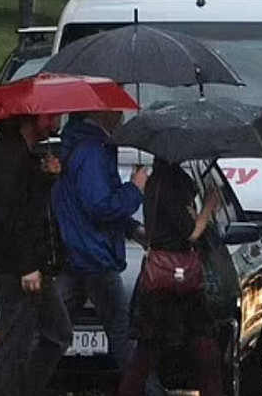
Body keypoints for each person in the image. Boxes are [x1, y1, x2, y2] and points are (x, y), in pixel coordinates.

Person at [0, 114, 71, 396]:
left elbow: (29, 205)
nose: (55, 122)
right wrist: (27, 267)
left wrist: (46, 178)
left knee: (57, 333)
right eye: (49, 117)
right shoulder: (9, 156)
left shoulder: (24, 156)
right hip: (15, 267)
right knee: (14, 344)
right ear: (30, 119)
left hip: (33, 263)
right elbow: (10, 217)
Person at [52, 111, 149, 371]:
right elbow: (99, 206)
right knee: (122, 333)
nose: (122, 116)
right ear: (101, 112)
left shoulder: (84, 146)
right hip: (94, 255)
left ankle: (26, 384)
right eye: (116, 109)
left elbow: (89, 205)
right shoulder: (93, 150)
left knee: (52, 333)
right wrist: (135, 189)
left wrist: (132, 230)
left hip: (79, 252)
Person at [118, 160, 222, 396]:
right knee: (205, 351)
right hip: (177, 280)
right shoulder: (170, 184)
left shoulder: (157, 181)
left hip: (159, 279)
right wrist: (208, 207)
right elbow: (191, 233)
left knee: (146, 353)